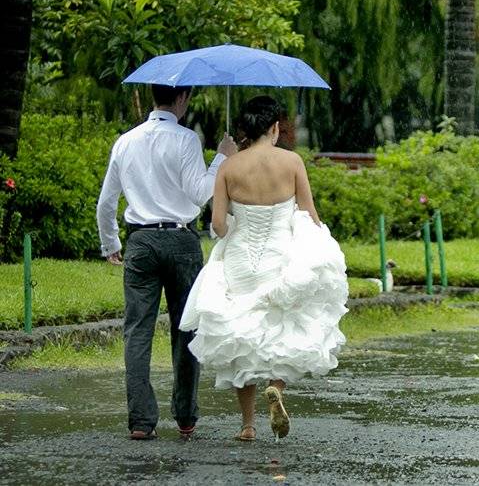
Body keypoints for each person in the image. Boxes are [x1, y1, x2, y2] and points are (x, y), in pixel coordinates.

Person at [180, 95, 349, 442]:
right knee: (282, 329)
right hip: (278, 256)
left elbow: (218, 225)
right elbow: (308, 213)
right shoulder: (291, 162)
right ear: (274, 127)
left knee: (240, 333)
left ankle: (247, 425)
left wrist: (234, 222)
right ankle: (276, 387)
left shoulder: (229, 167)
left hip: (241, 260)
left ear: (246, 129)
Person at [96, 84, 238, 441]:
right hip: (180, 240)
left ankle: (141, 421)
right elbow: (201, 193)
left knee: (137, 330)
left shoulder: (125, 141)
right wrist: (221, 157)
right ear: (182, 98)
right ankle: (186, 416)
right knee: (186, 327)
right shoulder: (186, 138)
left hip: (140, 241)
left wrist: (110, 243)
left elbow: (106, 201)